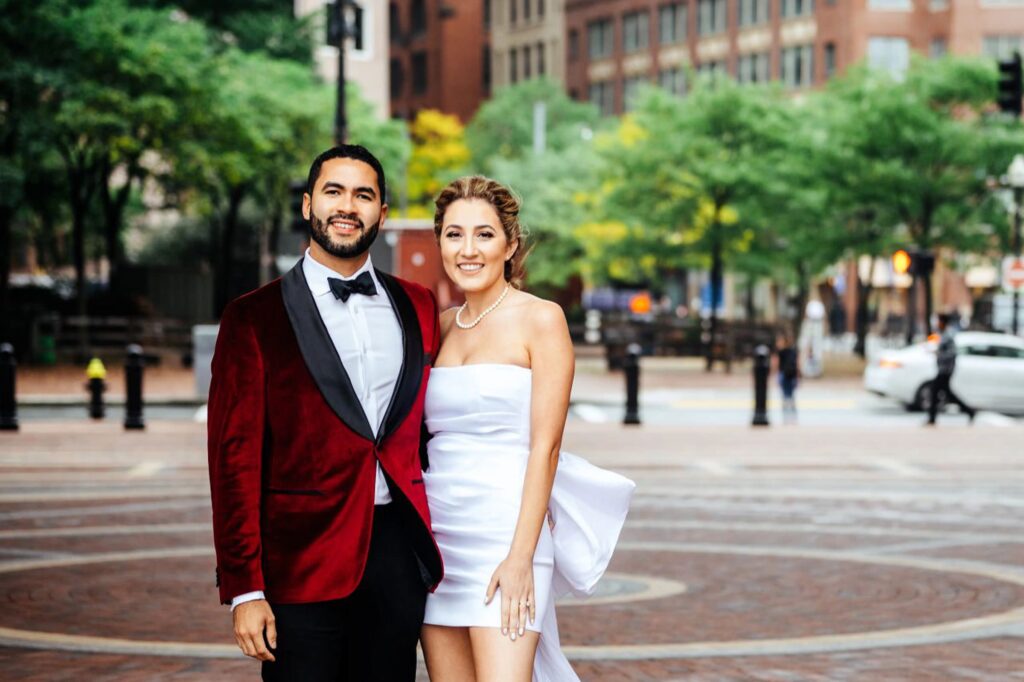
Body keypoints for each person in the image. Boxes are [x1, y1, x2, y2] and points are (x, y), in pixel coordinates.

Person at [207, 144, 443, 681]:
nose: (347, 206)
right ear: (309, 204)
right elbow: (233, 463)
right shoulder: (252, 318)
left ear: (382, 214)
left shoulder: (418, 304)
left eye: (363, 195)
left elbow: (432, 429)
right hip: (299, 564)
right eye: (334, 191)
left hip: (396, 558)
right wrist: (245, 588)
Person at [419, 176, 634, 681]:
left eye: (483, 235)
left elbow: (547, 446)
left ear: (510, 244)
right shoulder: (440, 325)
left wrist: (520, 557)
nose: (467, 249)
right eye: (453, 235)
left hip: (505, 535)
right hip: (437, 542)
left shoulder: (542, 319)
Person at [927, 312, 975, 425]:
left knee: (935, 392)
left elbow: (952, 353)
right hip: (943, 369)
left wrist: (938, 353)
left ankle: (932, 418)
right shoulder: (943, 333)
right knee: (946, 393)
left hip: (946, 370)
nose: (936, 323)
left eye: (938, 321)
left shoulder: (948, 335)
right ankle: (969, 411)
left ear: (942, 322)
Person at [776, 329, 799, 422]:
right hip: (792, 374)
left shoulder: (781, 352)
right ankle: (793, 411)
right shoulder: (794, 351)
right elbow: (797, 363)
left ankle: (785, 411)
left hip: (783, 374)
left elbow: (777, 363)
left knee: (785, 394)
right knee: (791, 394)